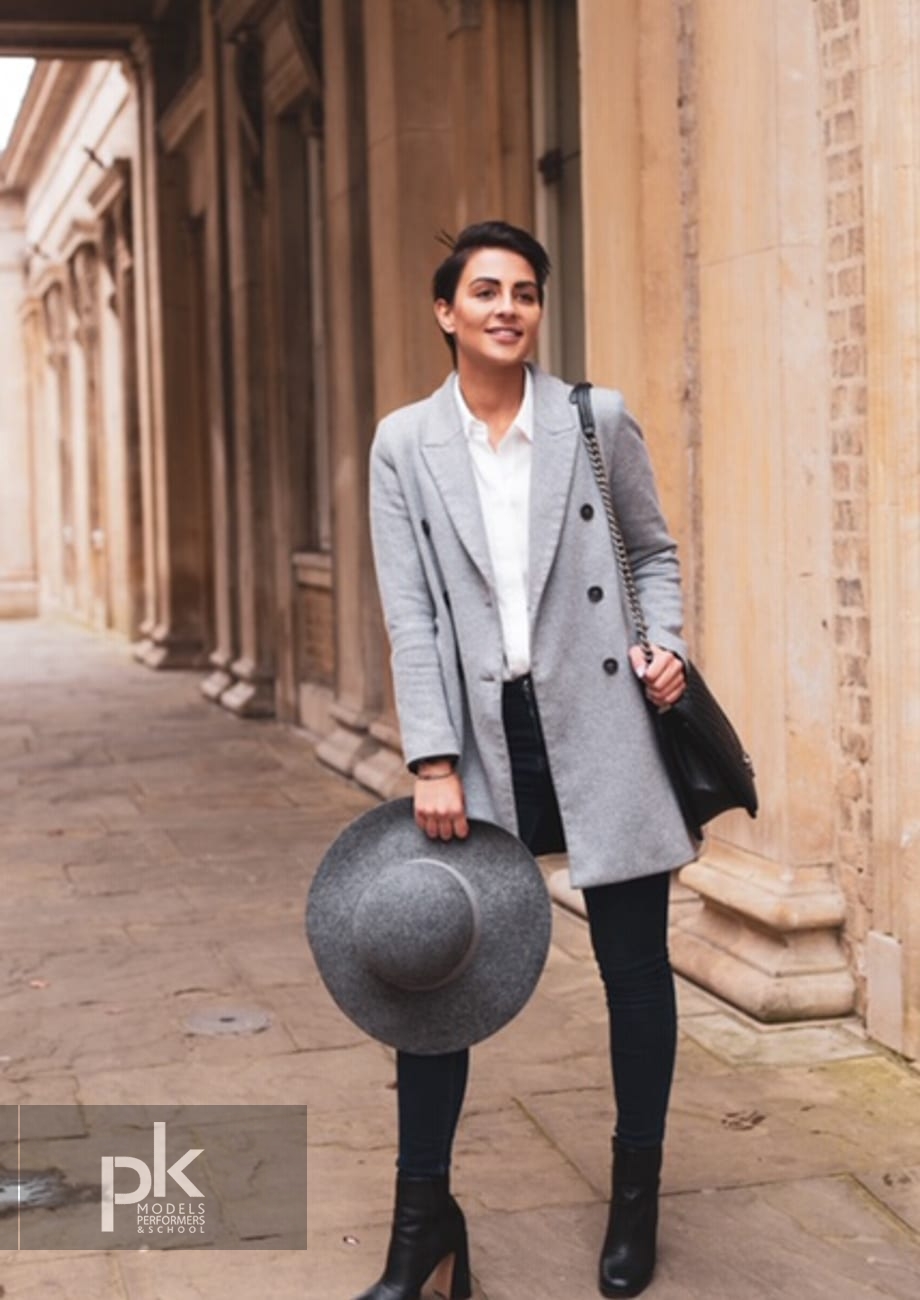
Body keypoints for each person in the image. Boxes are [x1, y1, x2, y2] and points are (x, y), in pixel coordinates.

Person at [361, 220, 697, 1300]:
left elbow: (653, 550)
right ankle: (423, 1228)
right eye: (486, 290)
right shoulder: (403, 444)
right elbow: (412, 616)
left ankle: (635, 1198)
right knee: (434, 977)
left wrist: (664, 646)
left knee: (633, 972)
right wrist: (431, 757)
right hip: (479, 734)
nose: (508, 307)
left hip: (603, 721)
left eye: (525, 292)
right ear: (445, 310)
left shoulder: (593, 419)